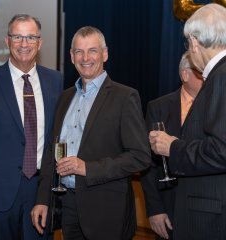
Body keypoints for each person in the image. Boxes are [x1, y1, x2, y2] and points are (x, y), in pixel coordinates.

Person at [31, 26, 151, 240]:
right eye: (79, 51)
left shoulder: (125, 97)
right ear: (71, 56)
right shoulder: (64, 98)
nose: (85, 58)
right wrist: (42, 199)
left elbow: (140, 157)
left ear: (105, 54)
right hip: (68, 206)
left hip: (106, 212)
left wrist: (87, 168)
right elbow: (52, 150)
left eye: (93, 51)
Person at [149, 3, 226, 240]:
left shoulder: (221, 77)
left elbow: (221, 150)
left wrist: (172, 146)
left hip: (208, 216)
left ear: (193, 42)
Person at [0, 14, 63, 239]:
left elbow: (55, 138)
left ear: (40, 43)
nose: (24, 44)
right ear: (7, 41)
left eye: (30, 37)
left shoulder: (55, 81)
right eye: (18, 37)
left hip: (40, 194)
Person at [140, 51, 203, 240]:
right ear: (185, 74)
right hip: (169, 208)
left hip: (206, 206)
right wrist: (155, 209)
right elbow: (148, 163)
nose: (207, 76)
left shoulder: (217, 106)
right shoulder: (159, 107)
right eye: (200, 72)